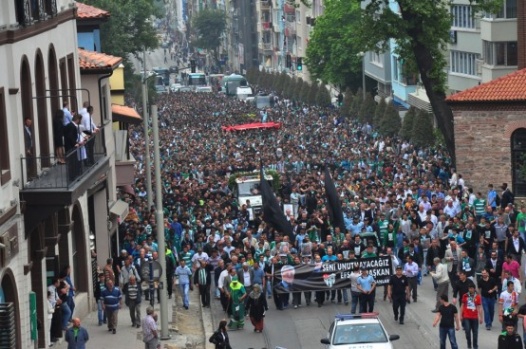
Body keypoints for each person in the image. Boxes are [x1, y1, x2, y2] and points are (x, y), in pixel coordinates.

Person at [460, 283, 483, 349]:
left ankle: (475, 346)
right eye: (469, 288)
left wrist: (481, 317)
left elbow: (479, 307)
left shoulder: (477, 297)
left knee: (475, 333)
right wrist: (461, 315)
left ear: (474, 288)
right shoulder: (465, 296)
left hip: (475, 317)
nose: (470, 289)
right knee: (467, 331)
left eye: (472, 288)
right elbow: (462, 305)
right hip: (466, 317)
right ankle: (469, 345)